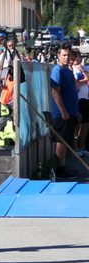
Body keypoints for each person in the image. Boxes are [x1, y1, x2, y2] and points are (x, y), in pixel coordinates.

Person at [50, 44, 80, 178]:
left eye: (68, 55)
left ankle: (63, 166)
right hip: (62, 113)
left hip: (71, 111)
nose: (66, 57)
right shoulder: (58, 70)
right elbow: (55, 92)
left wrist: (76, 111)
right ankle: (60, 169)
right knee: (61, 140)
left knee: (66, 140)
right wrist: (63, 111)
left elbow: (74, 90)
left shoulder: (68, 70)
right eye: (64, 55)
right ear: (59, 56)